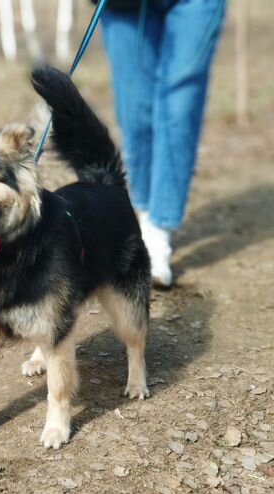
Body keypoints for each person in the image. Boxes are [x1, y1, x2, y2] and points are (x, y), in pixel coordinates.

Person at [97, 0, 226, 287]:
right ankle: (143, 209)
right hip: (126, 7)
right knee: (136, 112)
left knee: (180, 108)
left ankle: (158, 230)